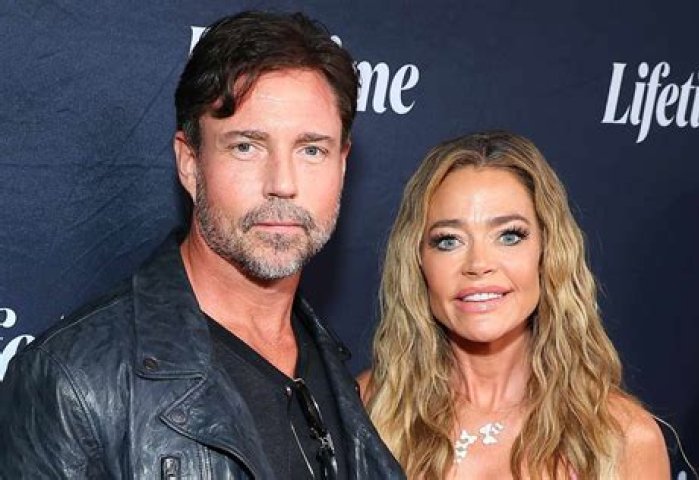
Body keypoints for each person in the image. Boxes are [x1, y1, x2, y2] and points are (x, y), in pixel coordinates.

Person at [0, 11, 404, 479]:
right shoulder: (73, 383)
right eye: (246, 147)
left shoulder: (334, 369)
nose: (283, 184)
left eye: (311, 149)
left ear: (342, 164)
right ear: (190, 163)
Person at [359, 131, 669, 479]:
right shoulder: (366, 410)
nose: (479, 264)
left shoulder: (623, 438)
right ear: (418, 261)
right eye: (448, 240)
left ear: (547, 251)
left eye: (509, 235)